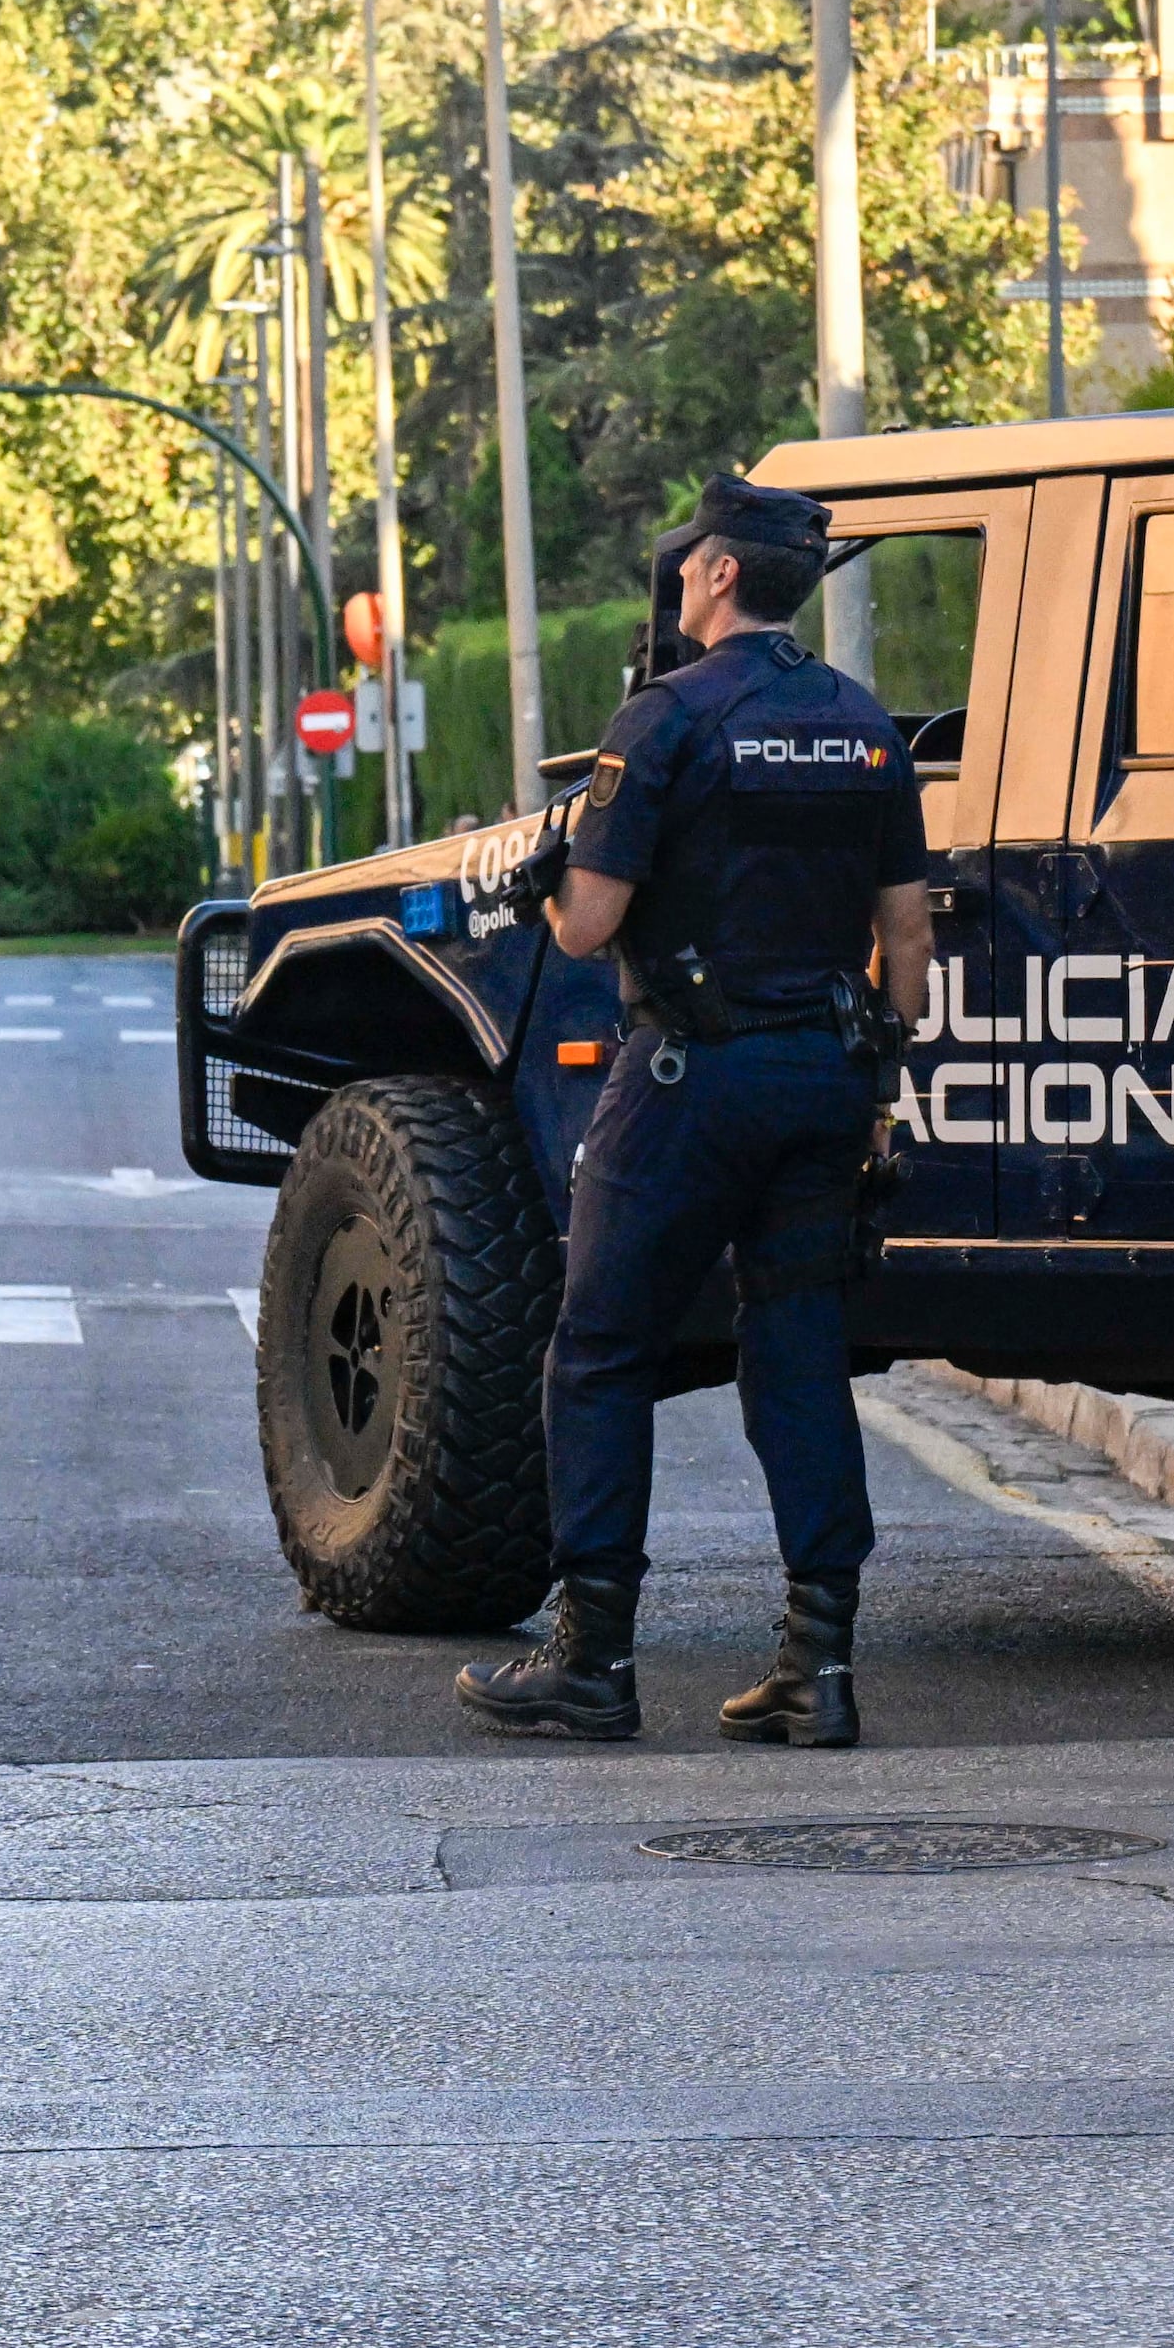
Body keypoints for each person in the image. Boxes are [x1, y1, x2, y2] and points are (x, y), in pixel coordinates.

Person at [456, 475, 934, 1749]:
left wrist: (544, 895)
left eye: (687, 565)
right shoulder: (863, 725)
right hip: (822, 1080)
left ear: (720, 574)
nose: (676, 582)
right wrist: (870, 1085)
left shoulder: (663, 719)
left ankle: (592, 1658)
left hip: (687, 1081)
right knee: (797, 1350)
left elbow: (593, 922)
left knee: (601, 1346)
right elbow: (906, 941)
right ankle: (817, 1668)